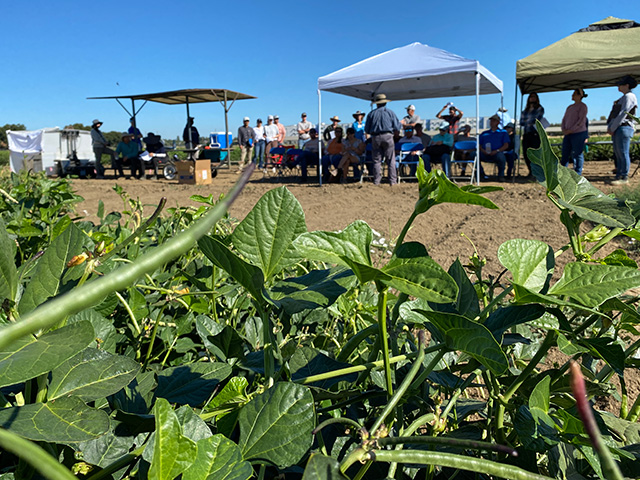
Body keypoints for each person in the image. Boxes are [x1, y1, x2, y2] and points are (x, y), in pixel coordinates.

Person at [364, 93, 401, 185]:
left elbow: (367, 130)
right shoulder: (390, 113)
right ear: (385, 103)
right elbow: (397, 127)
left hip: (375, 137)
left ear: (376, 103)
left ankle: (376, 181)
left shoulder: (371, 114)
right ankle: (392, 181)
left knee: (376, 160)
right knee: (391, 160)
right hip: (388, 136)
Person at [608, 75, 638, 185]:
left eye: (621, 84)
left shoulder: (629, 96)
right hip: (619, 128)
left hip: (624, 127)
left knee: (623, 152)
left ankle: (624, 176)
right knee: (619, 153)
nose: (618, 86)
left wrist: (612, 127)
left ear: (627, 85)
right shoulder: (624, 97)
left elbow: (623, 113)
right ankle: (619, 174)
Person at [560, 88, 589, 175]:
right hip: (568, 134)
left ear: (580, 96)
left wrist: (571, 130)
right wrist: (564, 129)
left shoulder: (583, 106)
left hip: (578, 133)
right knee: (565, 153)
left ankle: (577, 173)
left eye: (575, 94)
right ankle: (563, 172)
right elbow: (564, 119)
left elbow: (581, 120)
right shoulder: (570, 107)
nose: (572, 95)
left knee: (577, 153)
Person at [520, 93, 545, 177]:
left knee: (535, 153)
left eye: (534, 97)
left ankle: (537, 172)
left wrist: (527, 121)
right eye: (531, 97)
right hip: (526, 134)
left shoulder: (539, 109)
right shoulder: (525, 111)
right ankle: (530, 171)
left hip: (535, 134)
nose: (532, 98)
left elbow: (536, 120)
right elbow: (521, 122)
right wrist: (528, 121)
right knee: (526, 153)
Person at [478, 114, 510, 181]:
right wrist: (483, 150)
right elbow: (479, 145)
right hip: (485, 153)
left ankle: (501, 175)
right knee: (474, 155)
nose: (492, 122)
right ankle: (481, 174)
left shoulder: (503, 132)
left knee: (501, 156)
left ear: (498, 122)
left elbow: (506, 145)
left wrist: (497, 151)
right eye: (491, 121)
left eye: (494, 121)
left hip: (497, 153)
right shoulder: (484, 133)